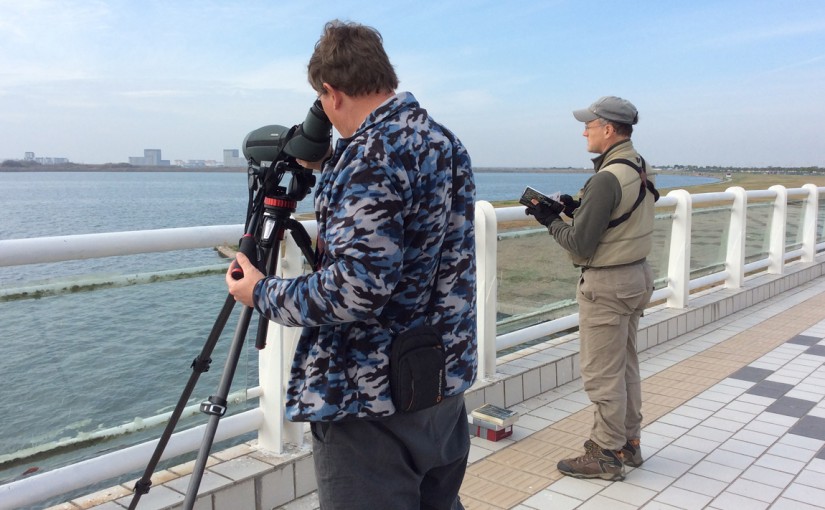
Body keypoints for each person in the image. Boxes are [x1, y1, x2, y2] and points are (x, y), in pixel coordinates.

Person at [226, 20, 477, 510]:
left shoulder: (368, 158)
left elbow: (355, 289)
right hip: (437, 382)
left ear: (330, 92)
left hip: (370, 404)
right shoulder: (443, 141)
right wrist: (332, 169)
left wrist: (260, 292)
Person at [525, 96, 657, 481]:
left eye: (590, 125)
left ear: (610, 130)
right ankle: (629, 443)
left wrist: (549, 219)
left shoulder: (605, 178)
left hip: (608, 284)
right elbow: (617, 218)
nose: (585, 130)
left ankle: (604, 452)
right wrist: (574, 206)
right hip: (636, 277)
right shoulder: (638, 165)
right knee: (626, 364)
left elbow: (580, 244)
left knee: (601, 372)